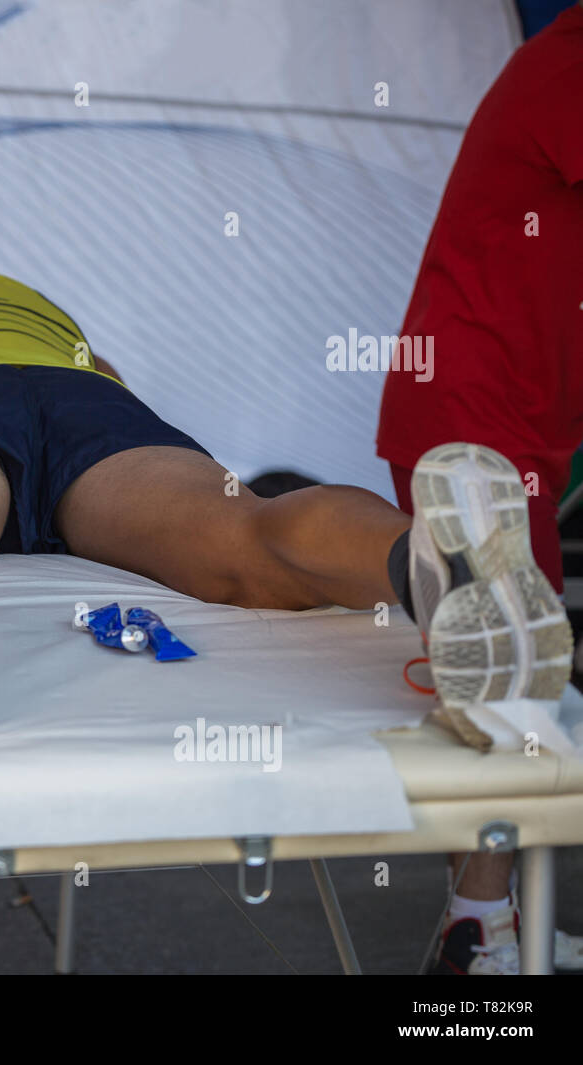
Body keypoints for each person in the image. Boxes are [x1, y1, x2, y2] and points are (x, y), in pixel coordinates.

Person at [0, 190, 578, 971]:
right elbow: (106, 376)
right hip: (84, 401)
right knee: (246, 533)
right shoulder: (30, 301)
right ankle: (423, 554)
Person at [377, 2, 583, 974]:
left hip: (497, 412)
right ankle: (478, 930)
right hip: (474, 415)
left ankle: (493, 922)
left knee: (509, 682)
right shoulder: (568, 62)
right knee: (513, 682)